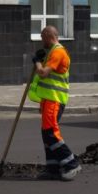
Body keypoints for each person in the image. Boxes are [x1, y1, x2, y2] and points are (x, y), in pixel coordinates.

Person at [29, 25, 81, 181]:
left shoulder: (58, 52)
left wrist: (38, 62)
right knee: (46, 134)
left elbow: (44, 73)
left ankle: (71, 163)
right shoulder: (52, 52)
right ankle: (53, 168)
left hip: (55, 99)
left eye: (42, 38)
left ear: (48, 36)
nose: (41, 41)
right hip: (49, 99)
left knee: (51, 133)